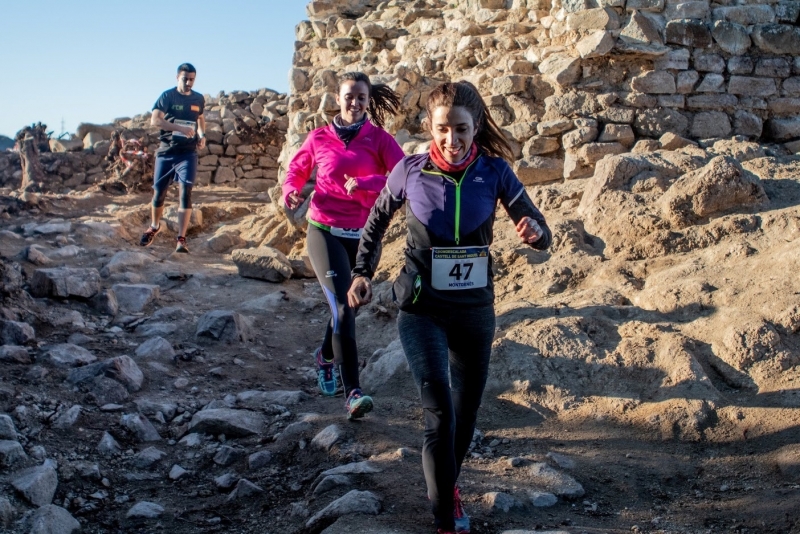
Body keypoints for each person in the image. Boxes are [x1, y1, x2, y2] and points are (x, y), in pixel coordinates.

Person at [347, 81, 552, 534]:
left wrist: (535, 231)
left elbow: (541, 227)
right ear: (430, 127)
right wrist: (362, 272)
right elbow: (375, 221)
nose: (452, 140)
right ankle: (444, 515)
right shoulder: (410, 170)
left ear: (475, 126)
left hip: (475, 313)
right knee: (438, 409)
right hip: (421, 309)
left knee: (466, 413)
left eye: (461, 129)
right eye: (443, 129)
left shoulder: (496, 172)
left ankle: (448, 482)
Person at [282, 72, 404, 419]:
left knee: (348, 307)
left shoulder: (378, 139)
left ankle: (324, 355)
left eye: (361, 97)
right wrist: (290, 190)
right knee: (342, 307)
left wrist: (366, 183)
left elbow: (403, 175)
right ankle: (353, 392)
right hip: (325, 231)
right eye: (349, 96)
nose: (355, 102)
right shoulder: (319, 137)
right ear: (338, 98)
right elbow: (297, 170)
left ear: (368, 100)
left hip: (366, 237)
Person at [139, 63, 206, 253]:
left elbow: (200, 118)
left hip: (188, 152)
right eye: (185, 78)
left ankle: (181, 239)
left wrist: (201, 135)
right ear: (177, 77)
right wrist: (180, 128)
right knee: (159, 192)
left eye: (192, 79)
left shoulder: (198, 98)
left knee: (186, 192)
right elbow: (155, 120)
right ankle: (154, 226)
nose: (188, 82)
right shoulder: (167, 96)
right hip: (166, 152)